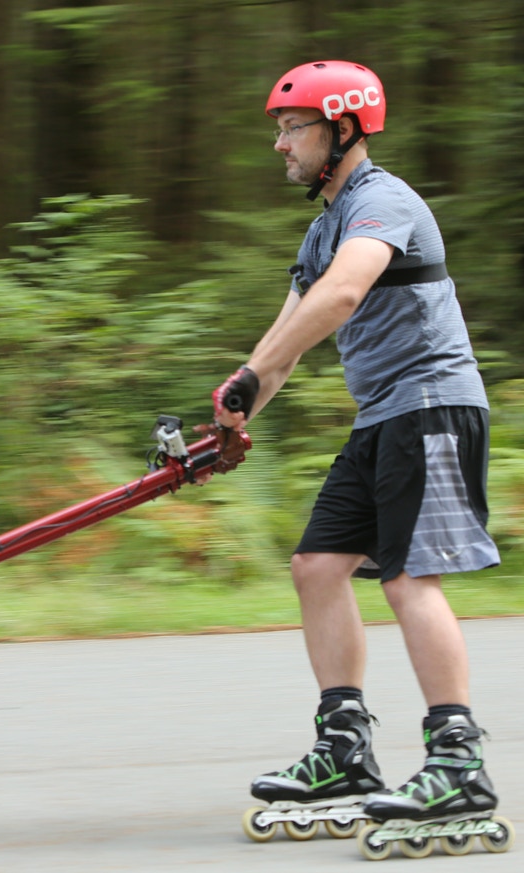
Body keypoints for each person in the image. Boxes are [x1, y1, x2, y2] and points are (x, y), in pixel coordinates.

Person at [213, 60, 500, 827]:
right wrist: (234, 411)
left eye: (292, 128)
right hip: (383, 416)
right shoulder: (322, 228)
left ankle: (458, 763)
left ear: (342, 129)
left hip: (432, 407)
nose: (280, 144)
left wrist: (252, 373)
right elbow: (286, 340)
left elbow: (341, 297)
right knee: (316, 566)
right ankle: (344, 748)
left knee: (407, 579)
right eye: (279, 129)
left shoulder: (383, 202)